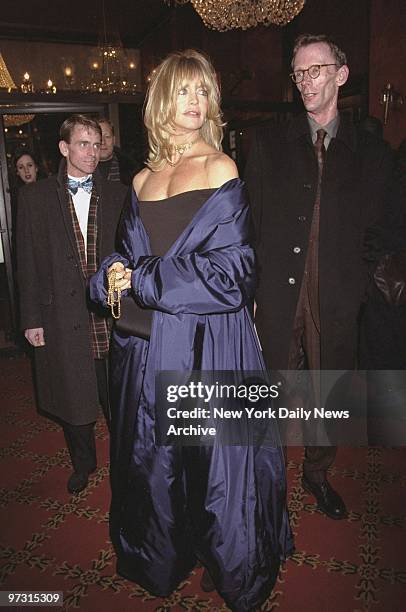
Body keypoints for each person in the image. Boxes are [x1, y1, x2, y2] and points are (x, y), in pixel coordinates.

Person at [89, 49, 292, 611]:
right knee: (154, 465)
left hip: (210, 345)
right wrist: (108, 277)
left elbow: (234, 276)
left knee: (216, 470)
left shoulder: (220, 168)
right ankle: (166, 553)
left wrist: (145, 279)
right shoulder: (142, 178)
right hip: (146, 347)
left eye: (203, 91)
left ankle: (227, 559)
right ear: (161, 101)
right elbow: (125, 259)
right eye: (183, 91)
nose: (195, 103)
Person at [245, 34, 393, 520]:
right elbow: (250, 225)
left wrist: (356, 285)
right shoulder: (266, 144)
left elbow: (380, 231)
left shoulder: (372, 152)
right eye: (299, 73)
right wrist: (251, 293)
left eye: (316, 70)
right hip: (276, 298)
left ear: (341, 75)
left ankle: (316, 475)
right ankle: (265, 487)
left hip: (336, 302)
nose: (306, 82)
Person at [16, 114, 127, 495]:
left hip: (112, 314)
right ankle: (84, 463)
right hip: (62, 316)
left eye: (97, 145)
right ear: (64, 148)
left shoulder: (119, 194)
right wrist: (31, 318)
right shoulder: (35, 197)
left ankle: (126, 462)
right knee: (74, 400)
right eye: (83, 144)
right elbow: (26, 262)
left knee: (119, 396)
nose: (92, 152)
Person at [97, 117, 139, 185]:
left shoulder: (132, 171)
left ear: (114, 140)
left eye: (107, 137)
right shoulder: (80, 170)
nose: (103, 142)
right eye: (99, 137)